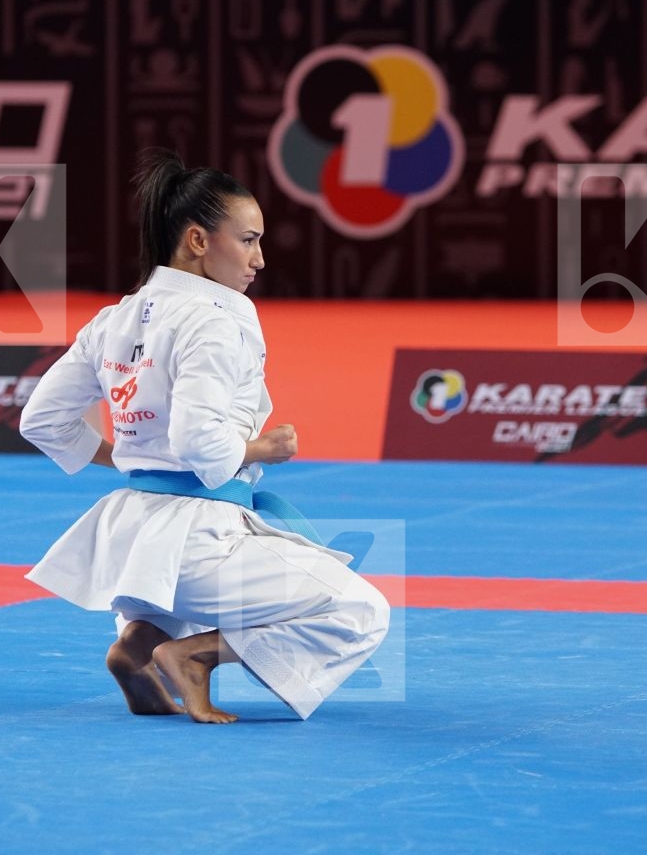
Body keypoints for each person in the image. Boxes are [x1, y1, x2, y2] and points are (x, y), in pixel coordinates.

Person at [21, 149, 390, 723]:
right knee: (360, 609)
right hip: (197, 539)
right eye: (247, 240)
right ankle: (194, 657)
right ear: (197, 240)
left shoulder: (114, 317)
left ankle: (138, 645)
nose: (259, 259)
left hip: (132, 539)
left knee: (189, 595)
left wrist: (131, 456)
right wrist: (262, 449)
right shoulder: (216, 319)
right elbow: (201, 444)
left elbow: (41, 421)